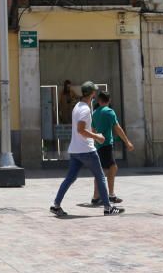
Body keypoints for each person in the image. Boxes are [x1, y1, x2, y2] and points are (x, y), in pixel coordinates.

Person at [49, 81, 124, 218]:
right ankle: (108, 208)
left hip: (75, 150)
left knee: (70, 178)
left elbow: (80, 129)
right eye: (94, 92)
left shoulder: (77, 106)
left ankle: (56, 205)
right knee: (100, 176)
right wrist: (97, 137)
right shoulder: (85, 109)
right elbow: (81, 130)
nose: (95, 94)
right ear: (92, 94)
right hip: (87, 150)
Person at [90, 91, 134, 205]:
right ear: (109, 101)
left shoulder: (94, 113)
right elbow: (117, 128)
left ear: (99, 101)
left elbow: (93, 130)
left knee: (102, 171)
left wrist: (95, 142)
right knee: (112, 168)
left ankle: (97, 197)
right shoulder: (110, 112)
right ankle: (110, 195)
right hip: (106, 145)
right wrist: (127, 142)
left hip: (99, 145)